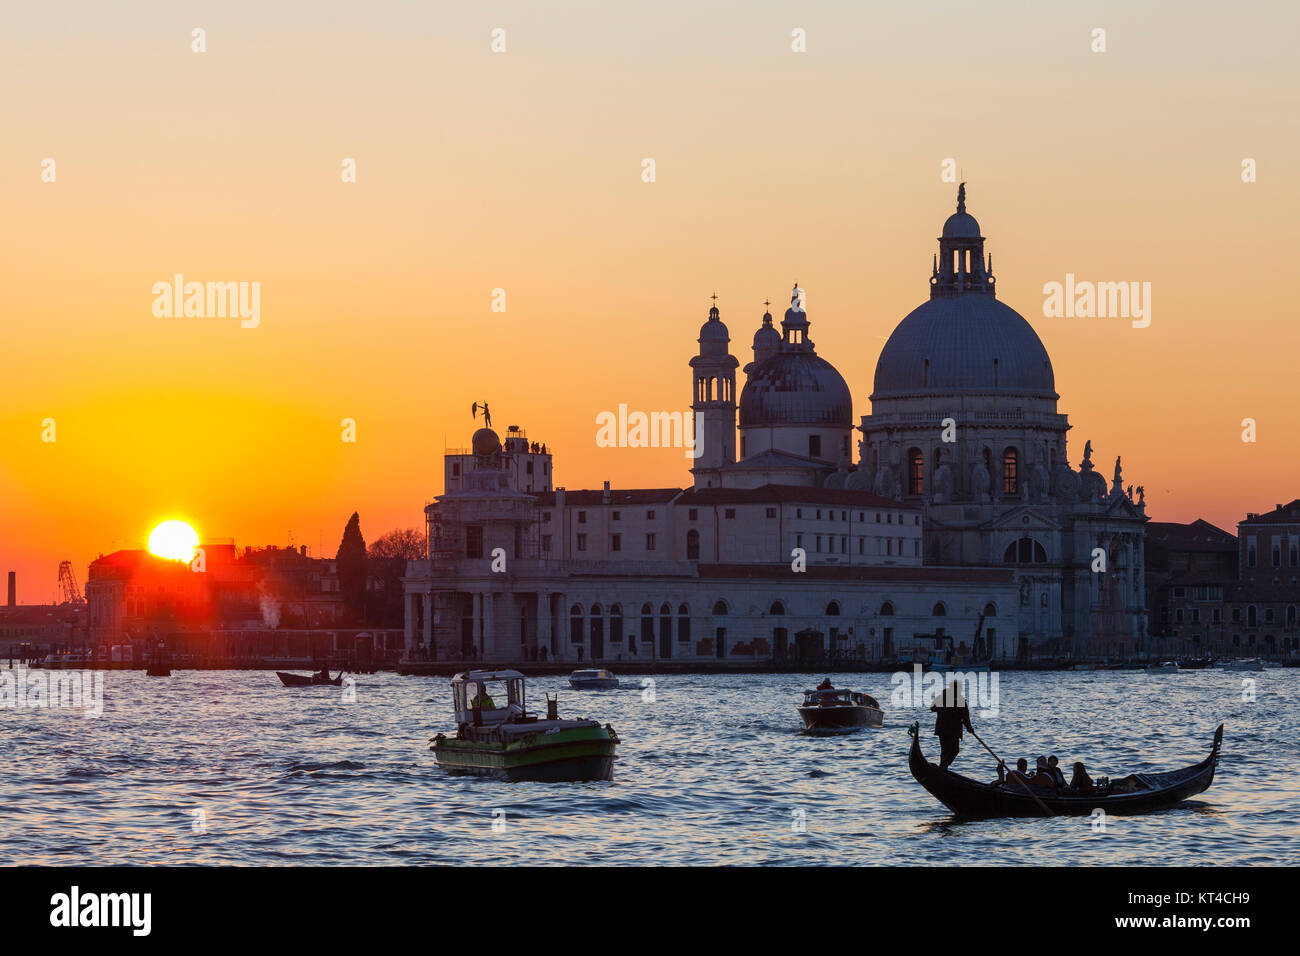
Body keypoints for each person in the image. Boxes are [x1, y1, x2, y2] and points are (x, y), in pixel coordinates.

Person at [930, 679, 974, 770]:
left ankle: (942, 770)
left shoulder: (941, 697)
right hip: (953, 730)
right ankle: (942, 768)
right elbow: (965, 717)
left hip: (941, 729)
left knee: (945, 751)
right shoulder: (960, 700)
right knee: (954, 751)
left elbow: (932, 709)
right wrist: (969, 728)